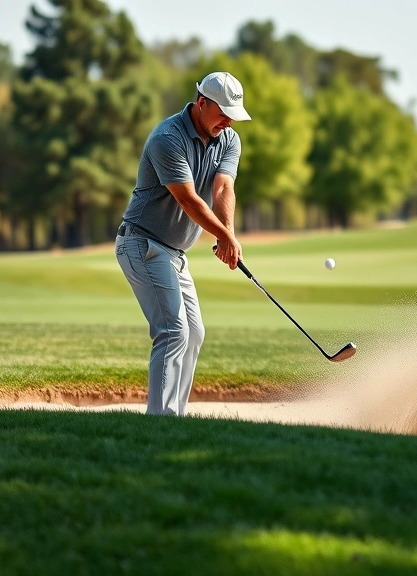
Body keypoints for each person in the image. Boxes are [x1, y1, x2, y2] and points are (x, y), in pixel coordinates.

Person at [115, 71, 249, 416]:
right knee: (173, 330)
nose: (229, 121)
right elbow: (189, 199)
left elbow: (222, 189)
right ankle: (160, 422)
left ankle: (176, 418)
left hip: (175, 254)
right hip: (142, 244)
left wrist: (228, 234)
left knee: (194, 333)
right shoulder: (167, 137)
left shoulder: (228, 138)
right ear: (201, 103)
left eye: (233, 115)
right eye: (223, 113)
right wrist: (223, 237)